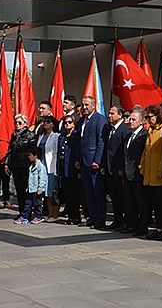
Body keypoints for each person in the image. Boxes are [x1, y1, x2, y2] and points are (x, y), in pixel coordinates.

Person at [140, 104, 162, 241]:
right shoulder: (151, 130)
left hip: (158, 175)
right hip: (149, 174)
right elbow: (146, 151)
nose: (148, 119)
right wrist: (142, 166)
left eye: (150, 117)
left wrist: (161, 170)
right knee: (155, 204)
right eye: (146, 117)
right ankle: (159, 228)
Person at [76, 96, 108, 229]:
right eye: (83, 105)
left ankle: (100, 219)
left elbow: (101, 141)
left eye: (86, 105)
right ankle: (92, 217)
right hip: (83, 161)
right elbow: (80, 141)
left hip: (93, 161)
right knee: (88, 192)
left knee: (97, 191)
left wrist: (97, 160)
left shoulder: (99, 119)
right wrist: (78, 159)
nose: (84, 107)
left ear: (93, 105)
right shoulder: (82, 120)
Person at [102, 105, 132, 230]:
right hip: (109, 168)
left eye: (112, 113)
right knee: (114, 197)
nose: (109, 116)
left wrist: (121, 168)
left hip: (118, 169)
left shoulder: (125, 130)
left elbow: (123, 151)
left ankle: (126, 220)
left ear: (120, 115)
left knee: (122, 197)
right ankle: (117, 219)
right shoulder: (111, 129)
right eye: (109, 113)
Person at [5, 114, 37, 220]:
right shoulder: (14, 135)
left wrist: (31, 164)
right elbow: (10, 150)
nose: (17, 125)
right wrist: (7, 164)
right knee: (19, 190)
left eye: (19, 122)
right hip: (16, 165)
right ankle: (22, 211)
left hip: (26, 166)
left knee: (26, 190)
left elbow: (32, 152)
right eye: (16, 122)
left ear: (25, 124)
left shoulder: (30, 135)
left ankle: (27, 212)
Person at [123, 110, 151, 236]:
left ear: (141, 121)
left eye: (134, 119)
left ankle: (143, 226)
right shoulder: (129, 135)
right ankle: (132, 224)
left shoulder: (144, 135)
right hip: (128, 173)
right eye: (130, 119)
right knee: (130, 201)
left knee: (142, 202)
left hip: (138, 173)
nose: (130, 121)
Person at [58, 115, 81, 225]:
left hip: (72, 168)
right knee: (67, 194)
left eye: (69, 122)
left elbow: (77, 151)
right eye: (65, 122)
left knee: (74, 195)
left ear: (74, 123)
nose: (67, 124)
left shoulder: (76, 135)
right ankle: (70, 216)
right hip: (63, 168)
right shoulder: (62, 136)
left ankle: (76, 217)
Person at [37, 116, 60, 222]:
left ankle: (55, 214)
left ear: (53, 124)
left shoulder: (55, 136)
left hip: (51, 166)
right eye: (44, 122)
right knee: (46, 192)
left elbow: (56, 153)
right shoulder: (41, 136)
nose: (46, 123)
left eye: (48, 122)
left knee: (52, 191)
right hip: (42, 166)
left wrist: (56, 169)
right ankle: (49, 213)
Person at [16, 145, 46, 224]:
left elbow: (42, 178)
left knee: (37, 204)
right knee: (28, 204)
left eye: (30, 155)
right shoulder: (31, 166)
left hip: (36, 190)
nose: (29, 157)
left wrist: (40, 188)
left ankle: (38, 216)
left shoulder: (41, 167)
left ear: (35, 156)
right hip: (30, 189)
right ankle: (24, 217)